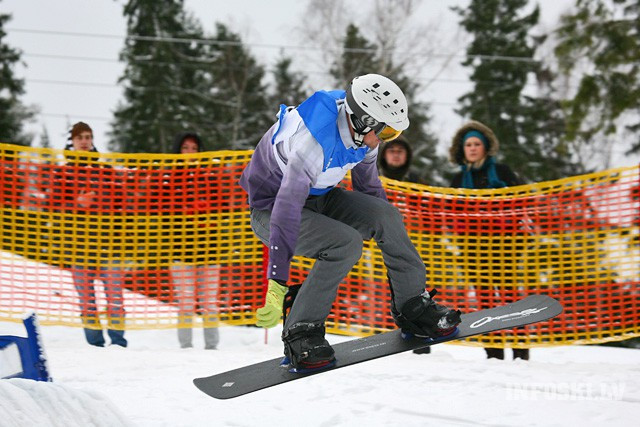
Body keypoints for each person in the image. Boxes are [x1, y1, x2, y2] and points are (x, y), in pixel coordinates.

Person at [239, 74, 462, 371]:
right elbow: (286, 211)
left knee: (388, 216)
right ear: (364, 121)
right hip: (272, 211)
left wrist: (386, 227)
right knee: (345, 243)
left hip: (318, 198)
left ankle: (412, 307)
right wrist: (277, 280)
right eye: (386, 132)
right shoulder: (312, 143)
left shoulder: (364, 135)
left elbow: (369, 188)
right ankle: (301, 331)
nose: (385, 139)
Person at [448, 120, 528, 360]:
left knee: (509, 297)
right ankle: (493, 353)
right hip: (472, 251)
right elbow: (450, 214)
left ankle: (520, 351)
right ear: (462, 150)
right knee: (484, 299)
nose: (472, 148)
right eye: (468, 144)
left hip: (505, 248)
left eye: (477, 144)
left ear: (486, 147)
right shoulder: (457, 181)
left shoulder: (502, 172)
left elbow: (519, 204)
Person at [54, 122, 127, 347]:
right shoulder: (63, 173)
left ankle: (118, 342)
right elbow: (54, 207)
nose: (84, 141)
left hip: (108, 244)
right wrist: (76, 203)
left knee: (115, 297)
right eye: (79, 138)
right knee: (87, 300)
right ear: (72, 142)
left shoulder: (106, 171)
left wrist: (99, 204)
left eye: (88, 137)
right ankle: (94, 344)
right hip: (78, 246)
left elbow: (120, 203)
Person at [168, 132, 220, 349]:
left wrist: (205, 213)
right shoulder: (168, 180)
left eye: (194, 148)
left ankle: (211, 348)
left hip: (209, 250)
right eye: (185, 148)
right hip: (179, 251)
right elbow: (157, 211)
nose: (190, 152)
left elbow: (222, 209)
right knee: (186, 303)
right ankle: (185, 348)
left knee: (209, 303)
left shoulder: (209, 178)